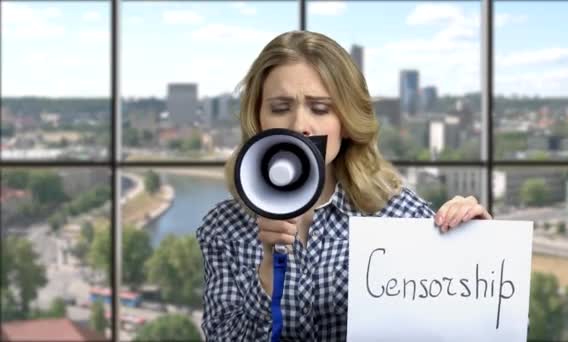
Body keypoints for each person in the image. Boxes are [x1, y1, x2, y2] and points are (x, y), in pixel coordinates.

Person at [195, 30, 492, 341]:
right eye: (281, 108)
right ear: (257, 118)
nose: (299, 126)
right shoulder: (224, 228)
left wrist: (478, 249)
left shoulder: (399, 216)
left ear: (346, 122)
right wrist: (267, 278)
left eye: (320, 109)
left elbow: (487, 328)